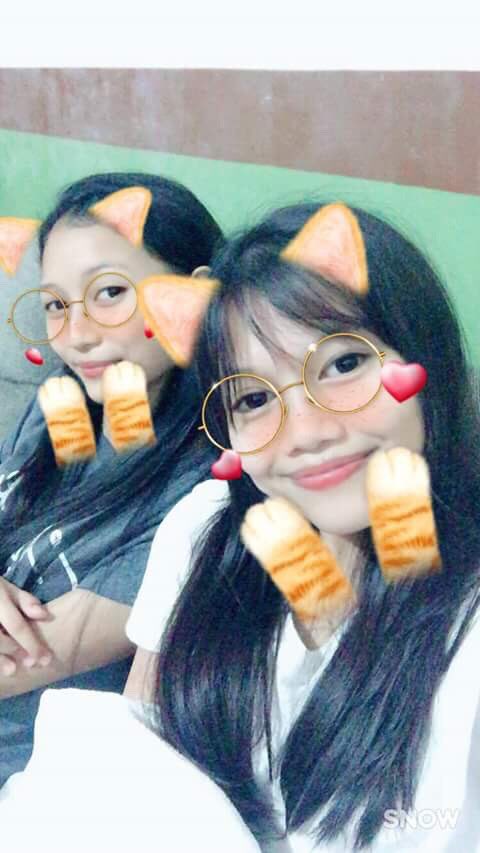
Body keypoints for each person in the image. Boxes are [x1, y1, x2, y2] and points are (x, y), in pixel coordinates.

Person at [123, 202, 480, 851]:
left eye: (344, 364)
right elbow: (131, 768)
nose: (307, 433)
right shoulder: (203, 534)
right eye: (255, 398)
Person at [0, 171, 223, 786]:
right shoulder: (60, 403)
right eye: (56, 304)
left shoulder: (209, 484)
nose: (76, 336)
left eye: (109, 293)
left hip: (30, 780)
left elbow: (25, 661)